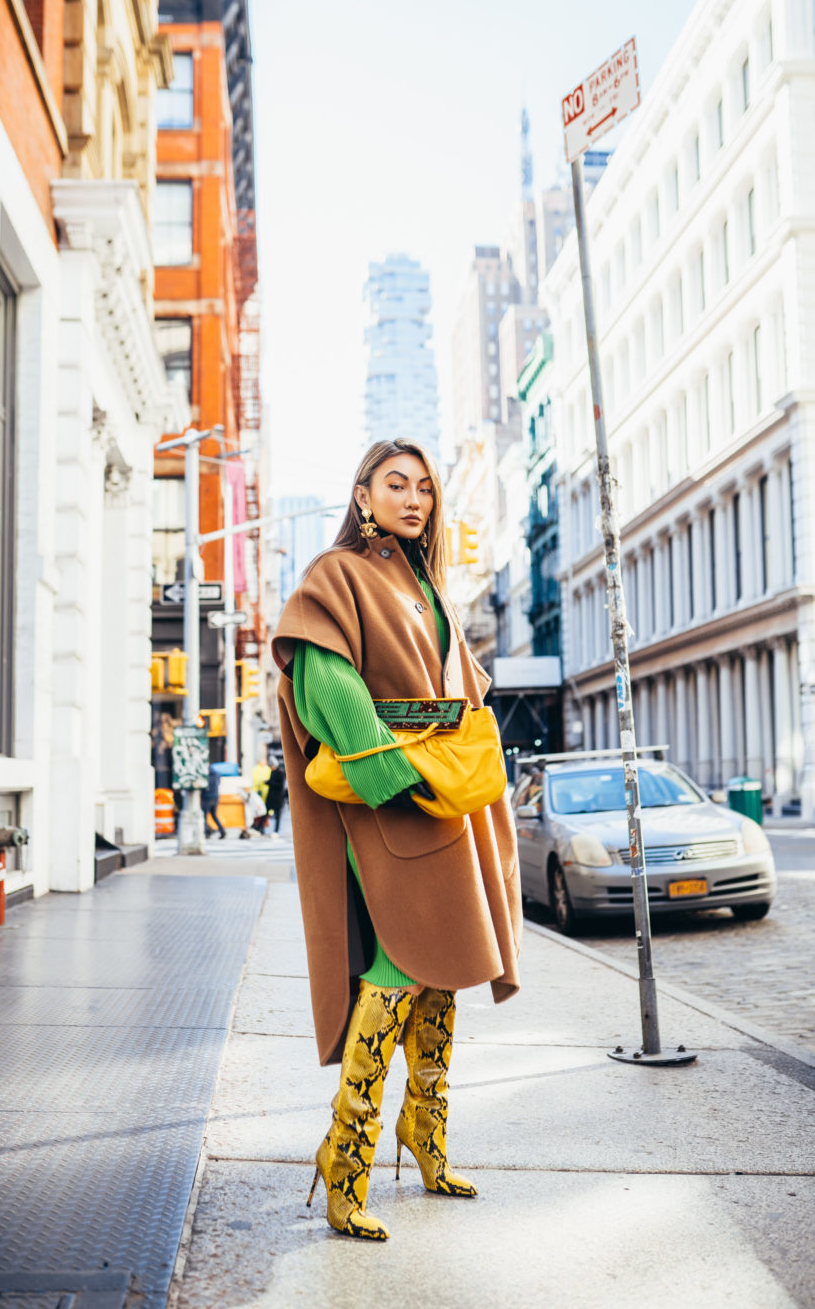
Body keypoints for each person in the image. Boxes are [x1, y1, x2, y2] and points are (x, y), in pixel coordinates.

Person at [272, 437, 522, 1242]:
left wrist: (463, 762)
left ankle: (426, 1135)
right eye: (395, 484)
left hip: (444, 801)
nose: (413, 499)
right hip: (393, 801)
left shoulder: (428, 585)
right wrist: (397, 776)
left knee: (441, 966)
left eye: (424, 487)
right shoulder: (337, 576)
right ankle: (345, 1161)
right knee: (396, 965)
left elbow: (462, 689)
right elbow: (323, 683)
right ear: (361, 494)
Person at [203, 762, 227, 840]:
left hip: (207, 796)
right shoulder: (216, 774)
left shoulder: (205, 775)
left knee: (204, 815)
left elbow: (203, 786)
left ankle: (207, 832)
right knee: (214, 815)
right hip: (215, 796)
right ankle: (222, 830)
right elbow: (219, 783)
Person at [265, 758, 286, 834]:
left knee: (277, 815)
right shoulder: (272, 772)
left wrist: (269, 782)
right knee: (265, 812)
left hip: (278, 797)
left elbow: (280, 786)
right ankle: (260, 829)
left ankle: (276, 830)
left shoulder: (280, 773)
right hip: (271, 796)